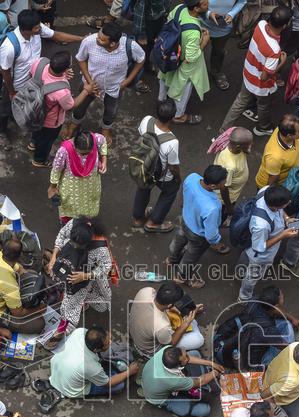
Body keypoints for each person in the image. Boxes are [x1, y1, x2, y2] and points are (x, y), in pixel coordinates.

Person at [0, 10, 79, 137]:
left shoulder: (37, 29)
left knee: (28, 105)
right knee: (5, 108)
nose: (41, 28)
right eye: (37, 27)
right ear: (26, 30)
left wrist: (82, 38)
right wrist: (11, 91)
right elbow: (5, 71)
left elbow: (56, 35)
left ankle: (18, 116)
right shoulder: (9, 47)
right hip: (17, 85)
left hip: (34, 81)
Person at [219, 7, 290, 136]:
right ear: (284, 26)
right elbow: (264, 77)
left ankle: (223, 130)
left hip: (248, 72)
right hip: (261, 85)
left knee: (240, 102)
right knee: (263, 106)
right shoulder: (274, 50)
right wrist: (282, 62)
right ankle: (263, 127)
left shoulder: (261, 25)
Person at [70, 23, 145, 144]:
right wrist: (89, 82)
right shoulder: (89, 41)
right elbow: (81, 59)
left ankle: (105, 130)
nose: (97, 39)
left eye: (101, 39)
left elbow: (141, 59)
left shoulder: (130, 46)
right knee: (80, 107)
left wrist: (127, 81)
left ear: (113, 44)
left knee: (111, 111)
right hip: (90, 85)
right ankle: (74, 124)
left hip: (114, 87)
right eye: (99, 35)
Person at [27, 52, 96, 168]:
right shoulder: (61, 91)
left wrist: (63, 75)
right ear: (66, 69)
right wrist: (86, 91)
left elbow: (31, 75)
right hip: (50, 121)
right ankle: (39, 160)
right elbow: (70, 106)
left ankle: (33, 143)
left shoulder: (40, 62)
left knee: (37, 129)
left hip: (34, 109)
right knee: (47, 140)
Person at [47, 218, 115, 332]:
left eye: (78, 246)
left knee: (102, 306)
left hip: (89, 273)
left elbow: (106, 266)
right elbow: (62, 234)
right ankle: (66, 325)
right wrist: (54, 255)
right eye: (72, 242)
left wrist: (85, 276)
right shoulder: (73, 224)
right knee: (69, 307)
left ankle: (84, 298)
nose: (74, 246)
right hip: (69, 268)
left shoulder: (99, 248)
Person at [168, 165, 229, 288]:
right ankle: (181, 277)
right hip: (198, 235)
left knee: (179, 240)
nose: (226, 183)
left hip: (185, 220)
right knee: (191, 255)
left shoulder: (192, 178)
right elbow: (211, 234)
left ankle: (171, 259)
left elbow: (183, 195)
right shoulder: (213, 207)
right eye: (224, 182)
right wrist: (216, 242)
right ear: (213, 186)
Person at [0, 239, 46, 335]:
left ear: (3, 250)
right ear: (19, 256)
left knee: (32, 274)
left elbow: (18, 268)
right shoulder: (10, 285)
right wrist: (39, 308)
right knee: (39, 324)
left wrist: (25, 273)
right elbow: (18, 313)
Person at [50, 326, 141, 399]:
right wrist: (129, 372)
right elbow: (108, 383)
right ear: (96, 349)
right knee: (119, 386)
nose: (110, 342)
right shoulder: (90, 366)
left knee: (106, 359)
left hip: (56, 370)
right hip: (70, 390)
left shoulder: (79, 332)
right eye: (107, 343)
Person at [157, 0, 210, 124]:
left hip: (170, 53)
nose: (208, 4)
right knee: (183, 87)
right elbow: (191, 57)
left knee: (165, 76)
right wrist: (204, 42)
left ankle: (161, 99)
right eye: (205, 4)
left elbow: (170, 21)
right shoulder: (194, 34)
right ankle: (178, 115)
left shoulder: (180, 8)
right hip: (183, 62)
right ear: (196, 9)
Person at [132, 101, 181, 233]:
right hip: (161, 175)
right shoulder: (172, 141)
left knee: (143, 188)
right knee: (169, 192)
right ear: (172, 117)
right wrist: (178, 178)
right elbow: (173, 167)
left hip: (144, 166)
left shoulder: (146, 120)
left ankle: (138, 218)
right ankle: (153, 222)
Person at [141, 345, 222, 417]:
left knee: (195, 353)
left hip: (150, 379)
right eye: (185, 359)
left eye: (185, 355)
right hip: (161, 398)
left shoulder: (167, 352)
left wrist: (210, 363)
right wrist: (214, 372)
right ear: (177, 367)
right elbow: (199, 382)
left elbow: (187, 359)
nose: (187, 358)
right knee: (204, 410)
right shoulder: (173, 380)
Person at [128, 282, 205, 357]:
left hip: (137, 332)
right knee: (199, 339)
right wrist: (185, 324)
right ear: (169, 305)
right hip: (148, 351)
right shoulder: (162, 326)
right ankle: (191, 320)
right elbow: (170, 344)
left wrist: (172, 308)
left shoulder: (146, 291)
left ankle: (190, 316)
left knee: (185, 319)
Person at [48, 128, 107, 223]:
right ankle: (66, 224)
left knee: (89, 204)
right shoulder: (64, 151)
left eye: (89, 153)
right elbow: (56, 169)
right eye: (83, 153)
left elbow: (103, 142)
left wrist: (104, 160)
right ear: (74, 146)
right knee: (68, 205)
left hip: (91, 185)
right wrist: (53, 186)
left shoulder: (97, 139)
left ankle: (85, 222)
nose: (85, 155)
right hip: (70, 187)